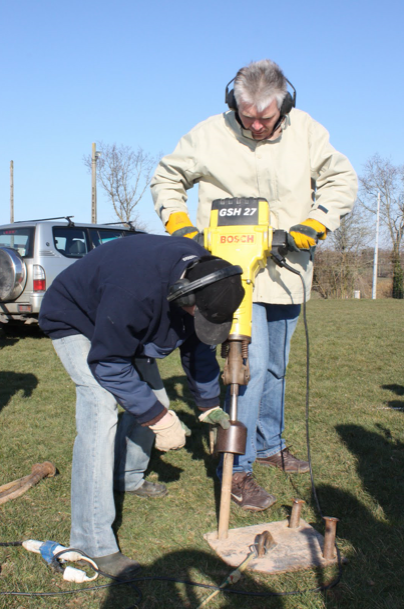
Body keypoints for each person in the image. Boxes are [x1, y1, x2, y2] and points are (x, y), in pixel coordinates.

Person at [151, 59, 358, 512]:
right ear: (234, 103)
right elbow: (167, 177)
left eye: (267, 116)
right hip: (232, 274)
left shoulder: (306, 130)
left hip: (286, 272)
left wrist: (314, 224)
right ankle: (237, 469)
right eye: (249, 116)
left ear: (285, 103)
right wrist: (181, 222)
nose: (258, 124)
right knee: (249, 367)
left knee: (277, 367)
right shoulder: (209, 133)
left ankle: (269, 443)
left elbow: (342, 180)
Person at [38, 233, 244, 577]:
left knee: (157, 399)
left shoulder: (207, 278)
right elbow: (108, 363)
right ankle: (91, 541)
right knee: (100, 411)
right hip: (77, 317)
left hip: (122, 322)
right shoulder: (134, 291)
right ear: (184, 295)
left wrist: (208, 404)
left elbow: (198, 349)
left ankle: (128, 476)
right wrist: (159, 420)